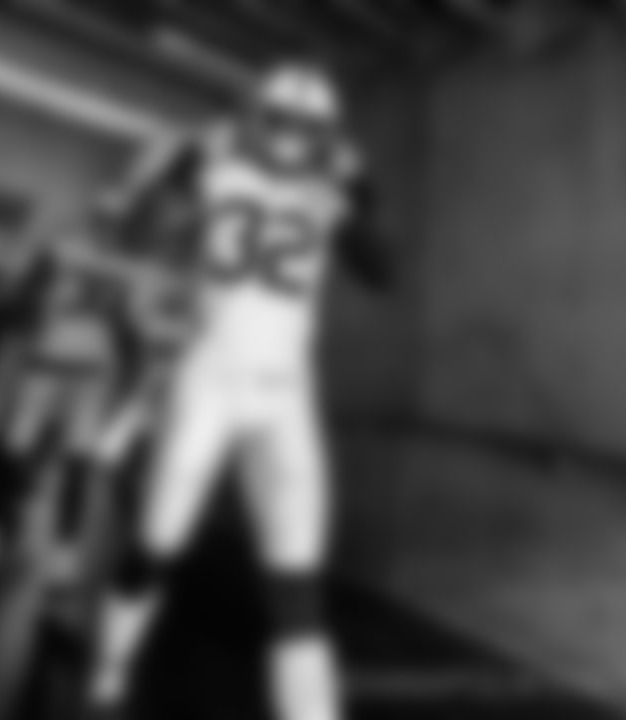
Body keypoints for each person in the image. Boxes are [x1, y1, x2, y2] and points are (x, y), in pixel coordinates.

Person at [82, 60, 393, 720]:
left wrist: (354, 199)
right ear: (254, 117)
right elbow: (135, 231)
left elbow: (381, 270)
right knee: (157, 545)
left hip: (286, 394)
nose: (292, 137)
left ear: (326, 133)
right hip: (211, 382)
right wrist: (171, 172)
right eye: (281, 120)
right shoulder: (214, 164)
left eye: (307, 126)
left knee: (297, 583)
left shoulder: (325, 185)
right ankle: (111, 664)